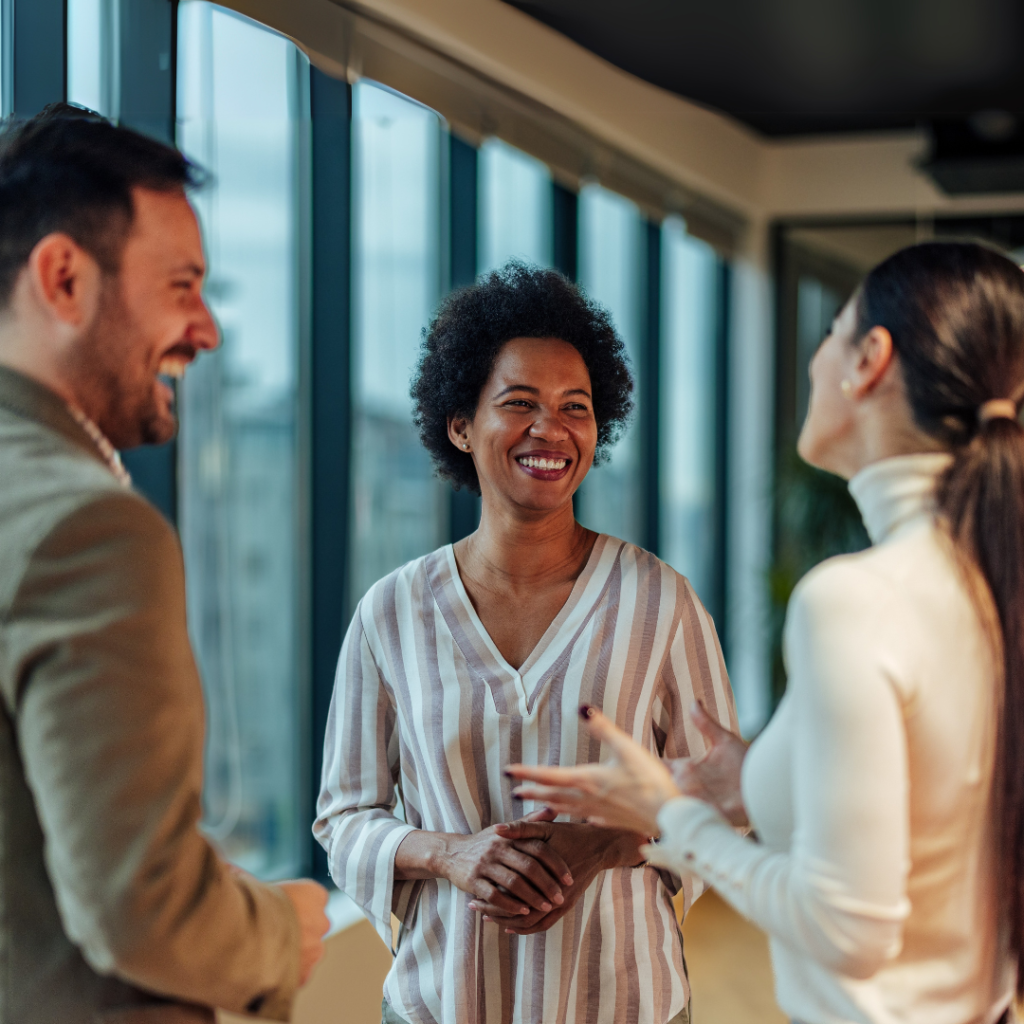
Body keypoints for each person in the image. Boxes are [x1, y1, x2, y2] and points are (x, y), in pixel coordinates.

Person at [509, 241, 1024, 1024]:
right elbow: (939, 803)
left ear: (869, 360)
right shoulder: (991, 580)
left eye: (831, 335)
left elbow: (847, 929)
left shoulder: (855, 600)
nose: (817, 363)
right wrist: (747, 777)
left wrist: (668, 816)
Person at [314, 262, 738, 1024]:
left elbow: (722, 796)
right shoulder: (393, 613)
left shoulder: (660, 603)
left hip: (623, 1001)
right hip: (439, 1005)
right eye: (519, 403)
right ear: (460, 425)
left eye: (576, 407)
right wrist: (451, 854)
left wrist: (600, 846)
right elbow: (345, 819)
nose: (551, 428)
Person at [0, 104, 329, 1024]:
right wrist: (280, 923)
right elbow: (138, 908)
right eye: (183, 284)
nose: (207, 329)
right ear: (63, 278)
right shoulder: (89, 531)